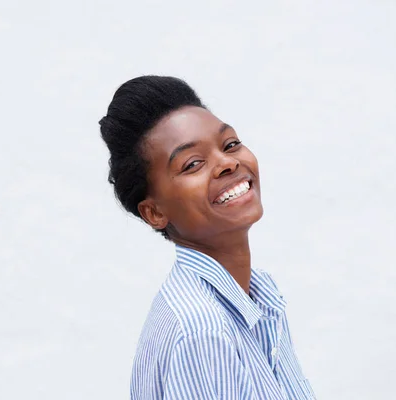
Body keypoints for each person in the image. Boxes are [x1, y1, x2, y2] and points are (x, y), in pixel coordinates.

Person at [99, 76, 316, 399]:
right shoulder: (202, 331)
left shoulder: (258, 299)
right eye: (193, 164)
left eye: (230, 144)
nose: (228, 163)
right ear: (154, 212)